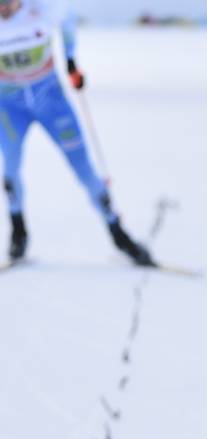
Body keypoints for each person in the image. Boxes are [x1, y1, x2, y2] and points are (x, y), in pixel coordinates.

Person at [0, 0, 152, 265]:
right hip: (11, 105)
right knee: (10, 170)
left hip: (51, 101)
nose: (3, 8)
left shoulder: (43, 10)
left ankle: (118, 233)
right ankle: (18, 233)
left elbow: (67, 18)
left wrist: (71, 61)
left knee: (84, 168)